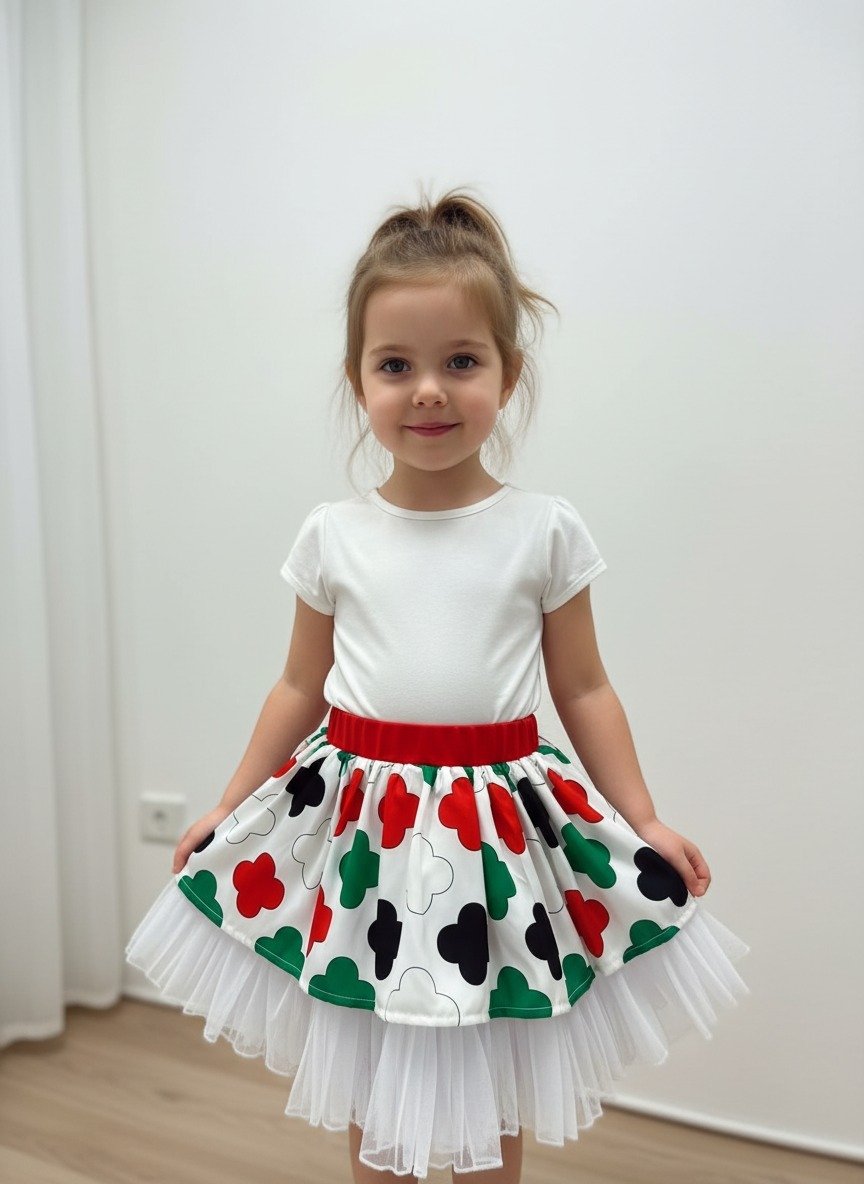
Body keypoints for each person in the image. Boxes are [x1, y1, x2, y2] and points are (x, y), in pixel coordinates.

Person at [125, 187, 751, 1183]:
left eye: (461, 361)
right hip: (364, 831)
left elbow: (585, 688)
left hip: (493, 834)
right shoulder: (333, 535)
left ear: (509, 373)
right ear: (358, 380)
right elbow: (298, 684)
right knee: (373, 1068)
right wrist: (229, 804)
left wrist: (642, 820)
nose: (428, 391)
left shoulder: (544, 530)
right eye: (396, 366)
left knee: (488, 1074)